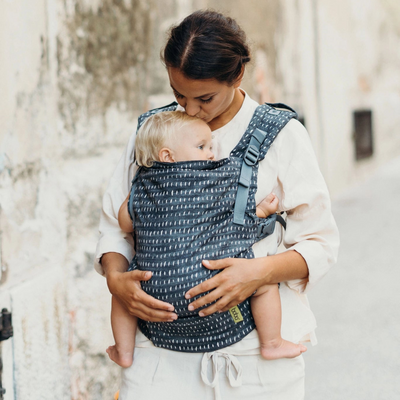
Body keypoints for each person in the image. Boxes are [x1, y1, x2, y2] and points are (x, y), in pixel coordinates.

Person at [95, 10, 339, 399]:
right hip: (157, 359)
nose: (189, 110)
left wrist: (257, 274)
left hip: (256, 362)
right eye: (178, 95)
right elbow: (116, 225)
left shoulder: (281, 136)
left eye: (204, 97)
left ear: (237, 76)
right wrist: (116, 279)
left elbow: (321, 243)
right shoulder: (152, 131)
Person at [105, 110, 307, 368]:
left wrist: (138, 190)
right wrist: (263, 212)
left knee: (120, 296)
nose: (212, 153)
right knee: (264, 285)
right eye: (202, 147)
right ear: (168, 155)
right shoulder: (212, 181)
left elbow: (124, 223)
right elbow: (234, 220)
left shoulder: (142, 186)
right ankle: (272, 343)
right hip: (212, 286)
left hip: (152, 291)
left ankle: (124, 351)